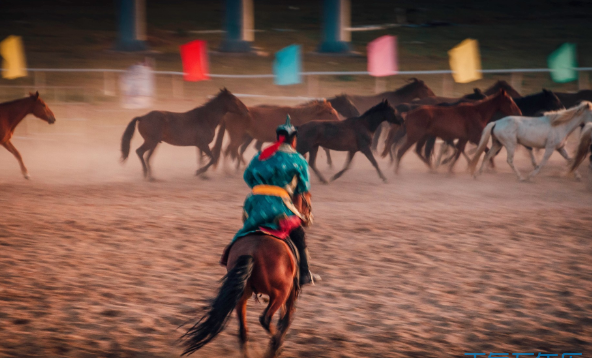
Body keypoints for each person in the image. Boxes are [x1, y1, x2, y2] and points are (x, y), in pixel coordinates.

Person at [221, 115, 320, 286]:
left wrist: (261, 188)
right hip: (280, 206)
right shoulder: (299, 160)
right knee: (299, 235)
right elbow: (303, 189)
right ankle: (305, 273)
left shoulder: (261, 154)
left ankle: (229, 257)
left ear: (278, 138)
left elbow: (247, 176)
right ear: (294, 140)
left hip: (254, 205)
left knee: (249, 229)